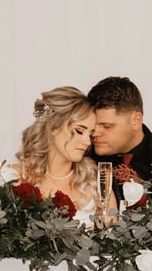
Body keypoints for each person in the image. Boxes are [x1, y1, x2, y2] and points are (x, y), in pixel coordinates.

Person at [15, 86, 116, 226]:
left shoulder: (97, 185)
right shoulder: (13, 178)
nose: (87, 142)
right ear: (53, 127)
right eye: (79, 131)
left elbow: (111, 243)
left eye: (90, 135)